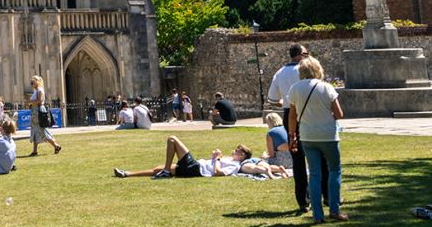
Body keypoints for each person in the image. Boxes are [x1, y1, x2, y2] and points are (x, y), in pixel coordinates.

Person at [287, 56, 347, 223]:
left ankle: (317, 215)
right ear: (317, 69)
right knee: (334, 170)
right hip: (328, 135)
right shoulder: (326, 87)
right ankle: (334, 210)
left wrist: (292, 136)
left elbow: (292, 116)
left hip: (307, 135)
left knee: (314, 174)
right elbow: (339, 114)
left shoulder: (295, 89)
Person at [269, 43, 314, 217]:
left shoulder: (280, 73)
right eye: (307, 53)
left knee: (298, 158)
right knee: (318, 153)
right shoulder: (306, 69)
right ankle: (326, 194)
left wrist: (283, 103)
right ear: (301, 54)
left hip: (289, 113)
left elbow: (273, 98)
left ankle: (303, 201)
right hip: (308, 110)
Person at [111, 135, 245, 179]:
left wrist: (217, 158)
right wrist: (214, 157)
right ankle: (126, 174)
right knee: (157, 169)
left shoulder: (236, 165)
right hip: (195, 167)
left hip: (196, 168)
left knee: (172, 139)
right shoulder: (230, 159)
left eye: (238, 150)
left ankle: (167, 172)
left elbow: (218, 173)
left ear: (242, 155)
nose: (234, 150)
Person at [27, 75, 62, 155]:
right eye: (31, 82)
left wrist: (30, 102)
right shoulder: (36, 91)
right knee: (35, 131)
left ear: (37, 82)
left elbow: (39, 101)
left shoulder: (40, 90)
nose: (31, 83)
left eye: (33, 82)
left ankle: (56, 146)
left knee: (42, 131)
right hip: (34, 112)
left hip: (38, 112)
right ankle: (35, 151)